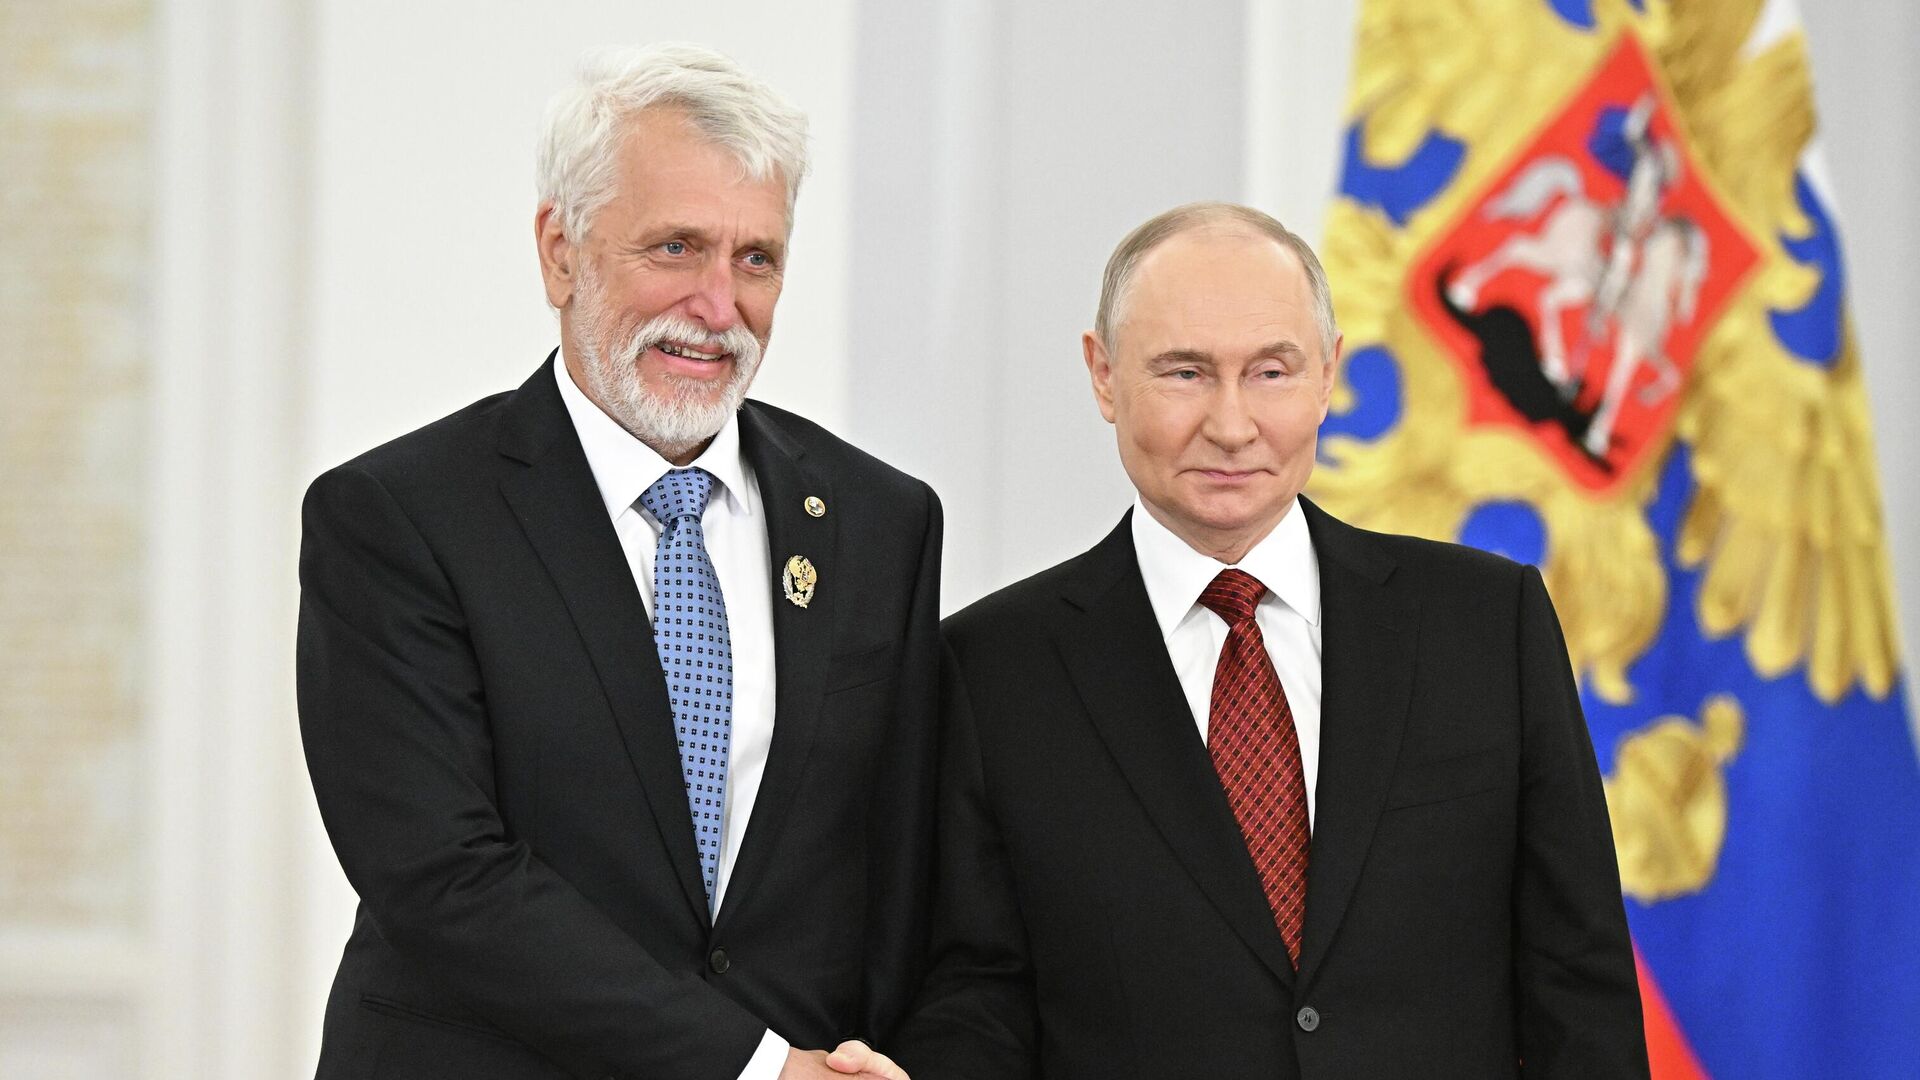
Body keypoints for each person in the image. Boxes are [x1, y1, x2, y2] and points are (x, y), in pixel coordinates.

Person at [848, 203, 1649, 1078]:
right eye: (1185, 373)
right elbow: (980, 996)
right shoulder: (990, 670)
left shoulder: (1487, 625)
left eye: (1271, 371)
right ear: (1104, 375)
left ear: (1328, 374)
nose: (1232, 426)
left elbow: (1579, 987)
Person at [297, 44, 936, 1080]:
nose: (718, 306)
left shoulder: (878, 521)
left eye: (757, 258)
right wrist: (755, 1068)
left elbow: (900, 873)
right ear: (561, 252)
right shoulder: (399, 518)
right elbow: (444, 876)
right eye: (676, 248)